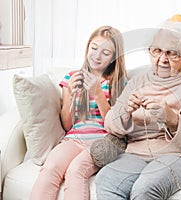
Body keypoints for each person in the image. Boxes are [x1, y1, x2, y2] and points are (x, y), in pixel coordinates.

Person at [94, 14, 181, 200]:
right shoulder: (137, 82)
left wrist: (172, 119)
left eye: (172, 53)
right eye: (157, 50)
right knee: (106, 181)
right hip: (136, 153)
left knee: (145, 188)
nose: (163, 59)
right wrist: (124, 111)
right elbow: (110, 124)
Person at [30, 25, 127, 200]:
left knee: (75, 171)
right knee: (50, 168)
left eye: (105, 53)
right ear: (87, 47)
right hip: (75, 138)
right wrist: (71, 96)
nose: (97, 56)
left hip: (103, 141)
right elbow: (67, 124)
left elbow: (115, 127)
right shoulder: (71, 78)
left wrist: (98, 93)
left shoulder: (119, 83)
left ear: (114, 58)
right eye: (94, 48)